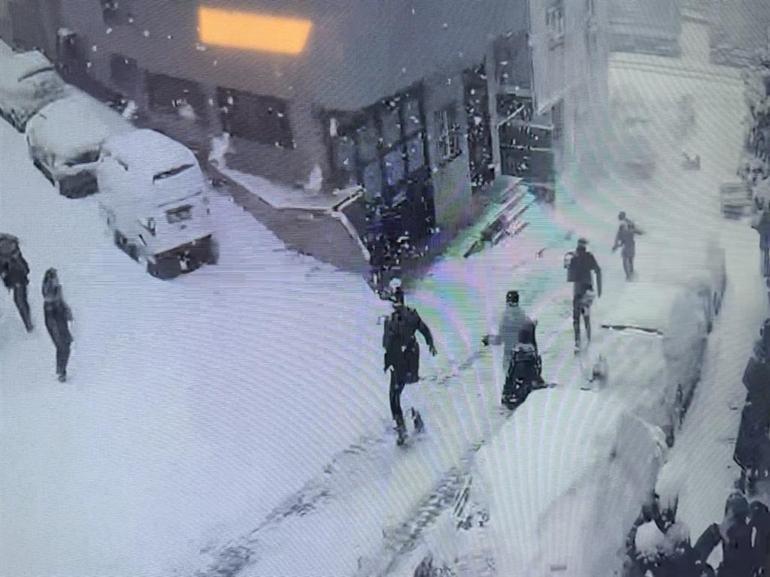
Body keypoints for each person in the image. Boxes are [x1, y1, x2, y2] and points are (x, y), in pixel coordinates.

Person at [383, 287, 436, 445]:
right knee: (409, 391)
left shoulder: (391, 320)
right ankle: (415, 420)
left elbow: (387, 343)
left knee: (394, 396)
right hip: (412, 356)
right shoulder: (411, 314)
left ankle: (401, 429)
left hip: (399, 359)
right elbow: (423, 329)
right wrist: (430, 343)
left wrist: (388, 361)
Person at [567, 238, 602, 352]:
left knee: (576, 317)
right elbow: (598, 270)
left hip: (578, 291)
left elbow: (570, 278)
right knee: (586, 315)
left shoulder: (574, 258)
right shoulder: (589, 257)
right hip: (588, 290)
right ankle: (589, 337)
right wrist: (599, 288)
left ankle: (577, 341)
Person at [42, 268, 73, 382]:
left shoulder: (57, 289)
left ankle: (61, 370)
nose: (56, 279)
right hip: (55, 321)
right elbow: (50, 316)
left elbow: (61, 302)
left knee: (66, 344)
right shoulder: (49, 294)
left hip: (61, 320)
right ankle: (61, 371)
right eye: (54, 277)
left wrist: (67, 310)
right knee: (62, 346)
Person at [0, 234, 33, 332]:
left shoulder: (9, 253)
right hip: (17, 280)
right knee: (20, 301)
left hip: (18, 280)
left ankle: (29, 325)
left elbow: (25, 269)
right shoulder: (12, 253)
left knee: (20, 301)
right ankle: (29, 325)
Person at [612, 211, 643, 281]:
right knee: (629, 260)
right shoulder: (628, 230)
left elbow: (617, 240)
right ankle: (630, 274)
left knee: (628, 261)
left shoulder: (624, 231)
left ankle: (629, 275)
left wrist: (616, 246)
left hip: (628, 247)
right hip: (629, 247)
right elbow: (639, 231)